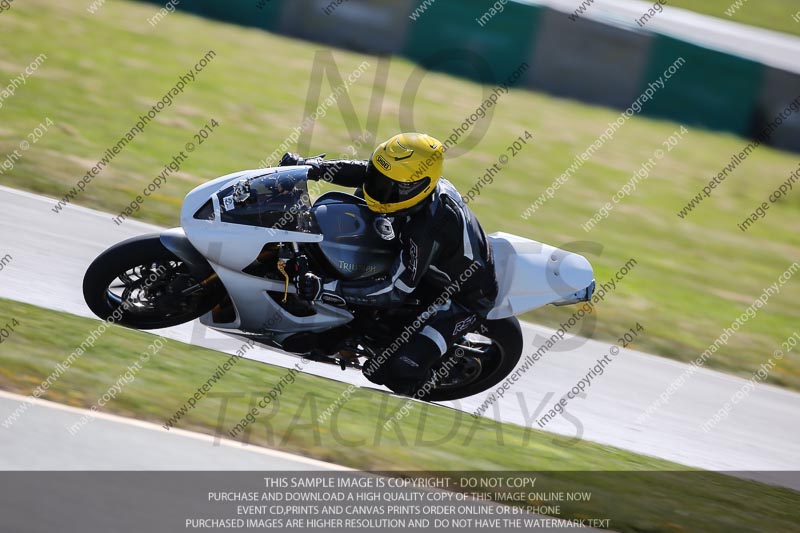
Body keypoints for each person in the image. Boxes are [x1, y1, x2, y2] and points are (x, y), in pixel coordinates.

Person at [279, 132, 498, 393]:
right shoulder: (406, 187)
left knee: (393, 372)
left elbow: (395, 290)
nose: (379, 189)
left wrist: (326, 288)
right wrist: (311, 168)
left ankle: (417, 372)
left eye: (390, 186)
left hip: (462, 298)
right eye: (380, 180)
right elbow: (366, 172)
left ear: (419, 185)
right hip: (419, 264)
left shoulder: (426, 228)